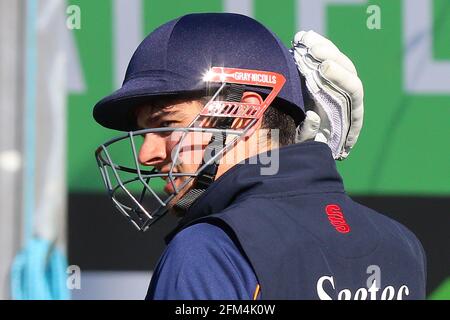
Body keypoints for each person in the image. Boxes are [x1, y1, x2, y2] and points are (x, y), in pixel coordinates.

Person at [93, 13, 426, 300]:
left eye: (166, 125)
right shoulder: (402, 245)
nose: (148, 153)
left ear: (242, 113)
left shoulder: (208, 250)